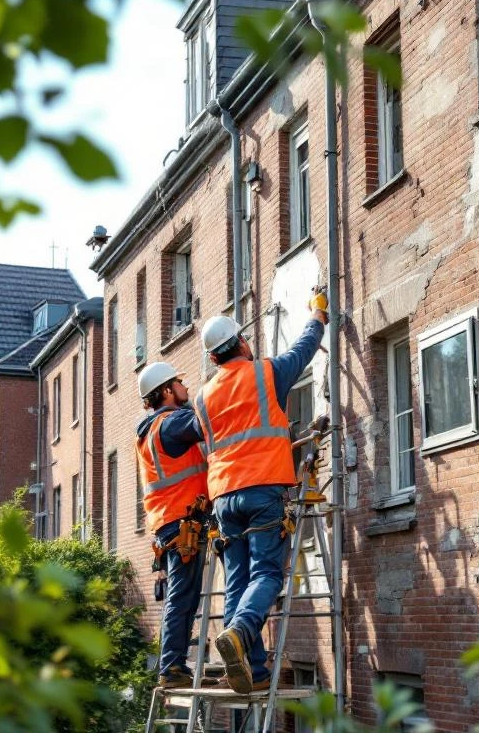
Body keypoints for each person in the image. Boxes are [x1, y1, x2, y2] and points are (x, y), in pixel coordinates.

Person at [191, 296, 328, 694]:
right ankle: (241, 633)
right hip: (263, 488)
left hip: (223, 499)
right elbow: (302, 350)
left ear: (214, 359)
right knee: (267, 573)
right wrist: (317, 315)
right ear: (243, 343)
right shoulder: (266, 373)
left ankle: (253, 669)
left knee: (238, 581)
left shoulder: (202, 397)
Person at [135, 361, 216, 689]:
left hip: (169, 523)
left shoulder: (149, 431)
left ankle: (173, 665)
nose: (185, 386)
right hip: (183, 523)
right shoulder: (173, 423)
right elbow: (208, 422)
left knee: (182, 596)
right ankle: (171, 667)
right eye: (180, 382)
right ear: (167, 391)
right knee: (183, 597)